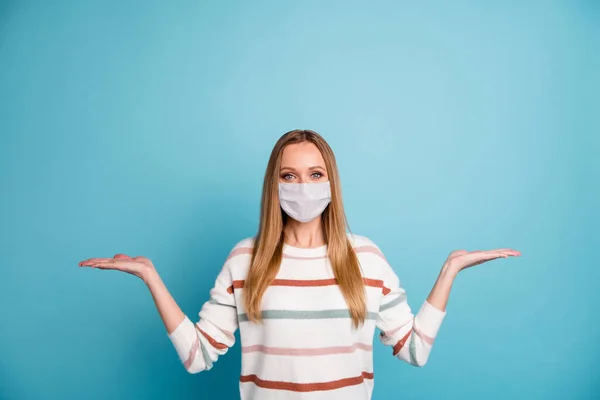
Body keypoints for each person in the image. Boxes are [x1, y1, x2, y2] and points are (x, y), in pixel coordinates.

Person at [78, 129, 520, 400]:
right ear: (274, 184)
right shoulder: (245, 259)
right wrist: (151, 277)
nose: (302, 186)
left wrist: (450, 271)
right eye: (289, 175)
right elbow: (197, 357)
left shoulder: (366, 257)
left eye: (315, 174)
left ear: (331, 182)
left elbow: (414, 350)